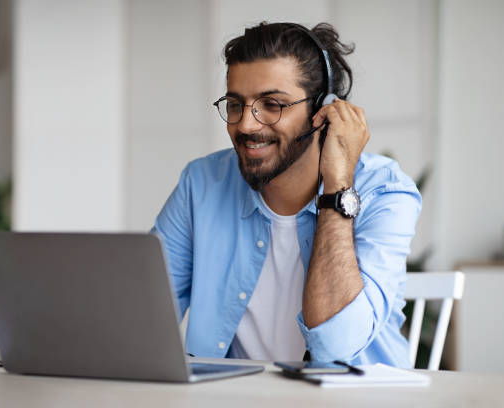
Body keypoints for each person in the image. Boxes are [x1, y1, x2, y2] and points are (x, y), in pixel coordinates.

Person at [152, 22, 421, 367]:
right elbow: (141, 321)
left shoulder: (385, 190)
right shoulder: (202, 183)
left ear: (322, 112)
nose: (247, 125)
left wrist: (338, 183)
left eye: (272, 104)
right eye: (236, 104)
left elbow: (337, 347)